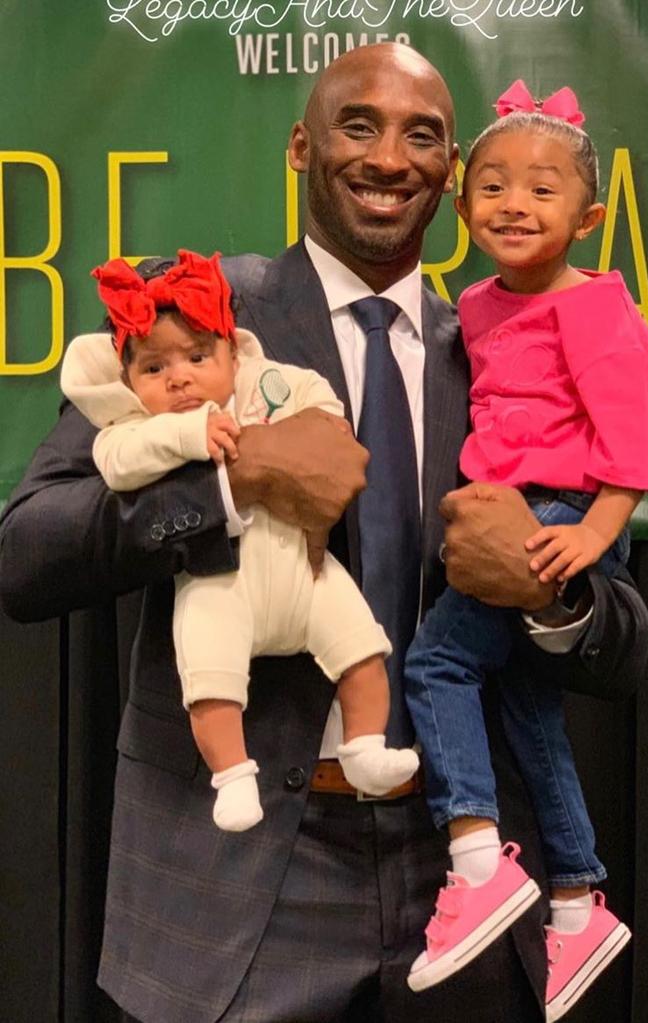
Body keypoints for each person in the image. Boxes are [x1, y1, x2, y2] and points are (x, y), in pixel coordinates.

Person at [0, 46, 648, 1023]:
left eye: (423, 137)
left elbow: (623, 634)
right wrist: (228, 482)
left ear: (453, 178)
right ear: (302, 146)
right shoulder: (202, 320)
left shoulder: (516, 344)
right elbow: (29, 550)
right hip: (243, 879)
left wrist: (546, 588)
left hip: (467, 873)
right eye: (359, 125)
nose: (390, 157)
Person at [403, 80, 648, 1020]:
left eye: (542, 189)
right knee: (524, 701)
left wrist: (595, 535)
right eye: (492, 186)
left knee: (438, 662)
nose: (514, 204)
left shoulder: (597, 307)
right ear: (458, 200)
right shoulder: (473, 306)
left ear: (590, 216)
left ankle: (477, 857)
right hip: (506, 507)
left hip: (562, 516)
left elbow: (642, 419)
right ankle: (575, 898)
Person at [61, 248, 418, 832]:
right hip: (220, 582)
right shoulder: (136, 425)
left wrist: (313, 431)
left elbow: (321, 408)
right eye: (154, 370)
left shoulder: (266, 382)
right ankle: (231, 776)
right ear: (127, 380)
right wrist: (189, 435)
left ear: (233, 349)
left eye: (198, 356)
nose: (179, 377)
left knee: (363, 650)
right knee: (209, 683)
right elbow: (117, 464)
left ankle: (365, 746)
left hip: (306, 569)